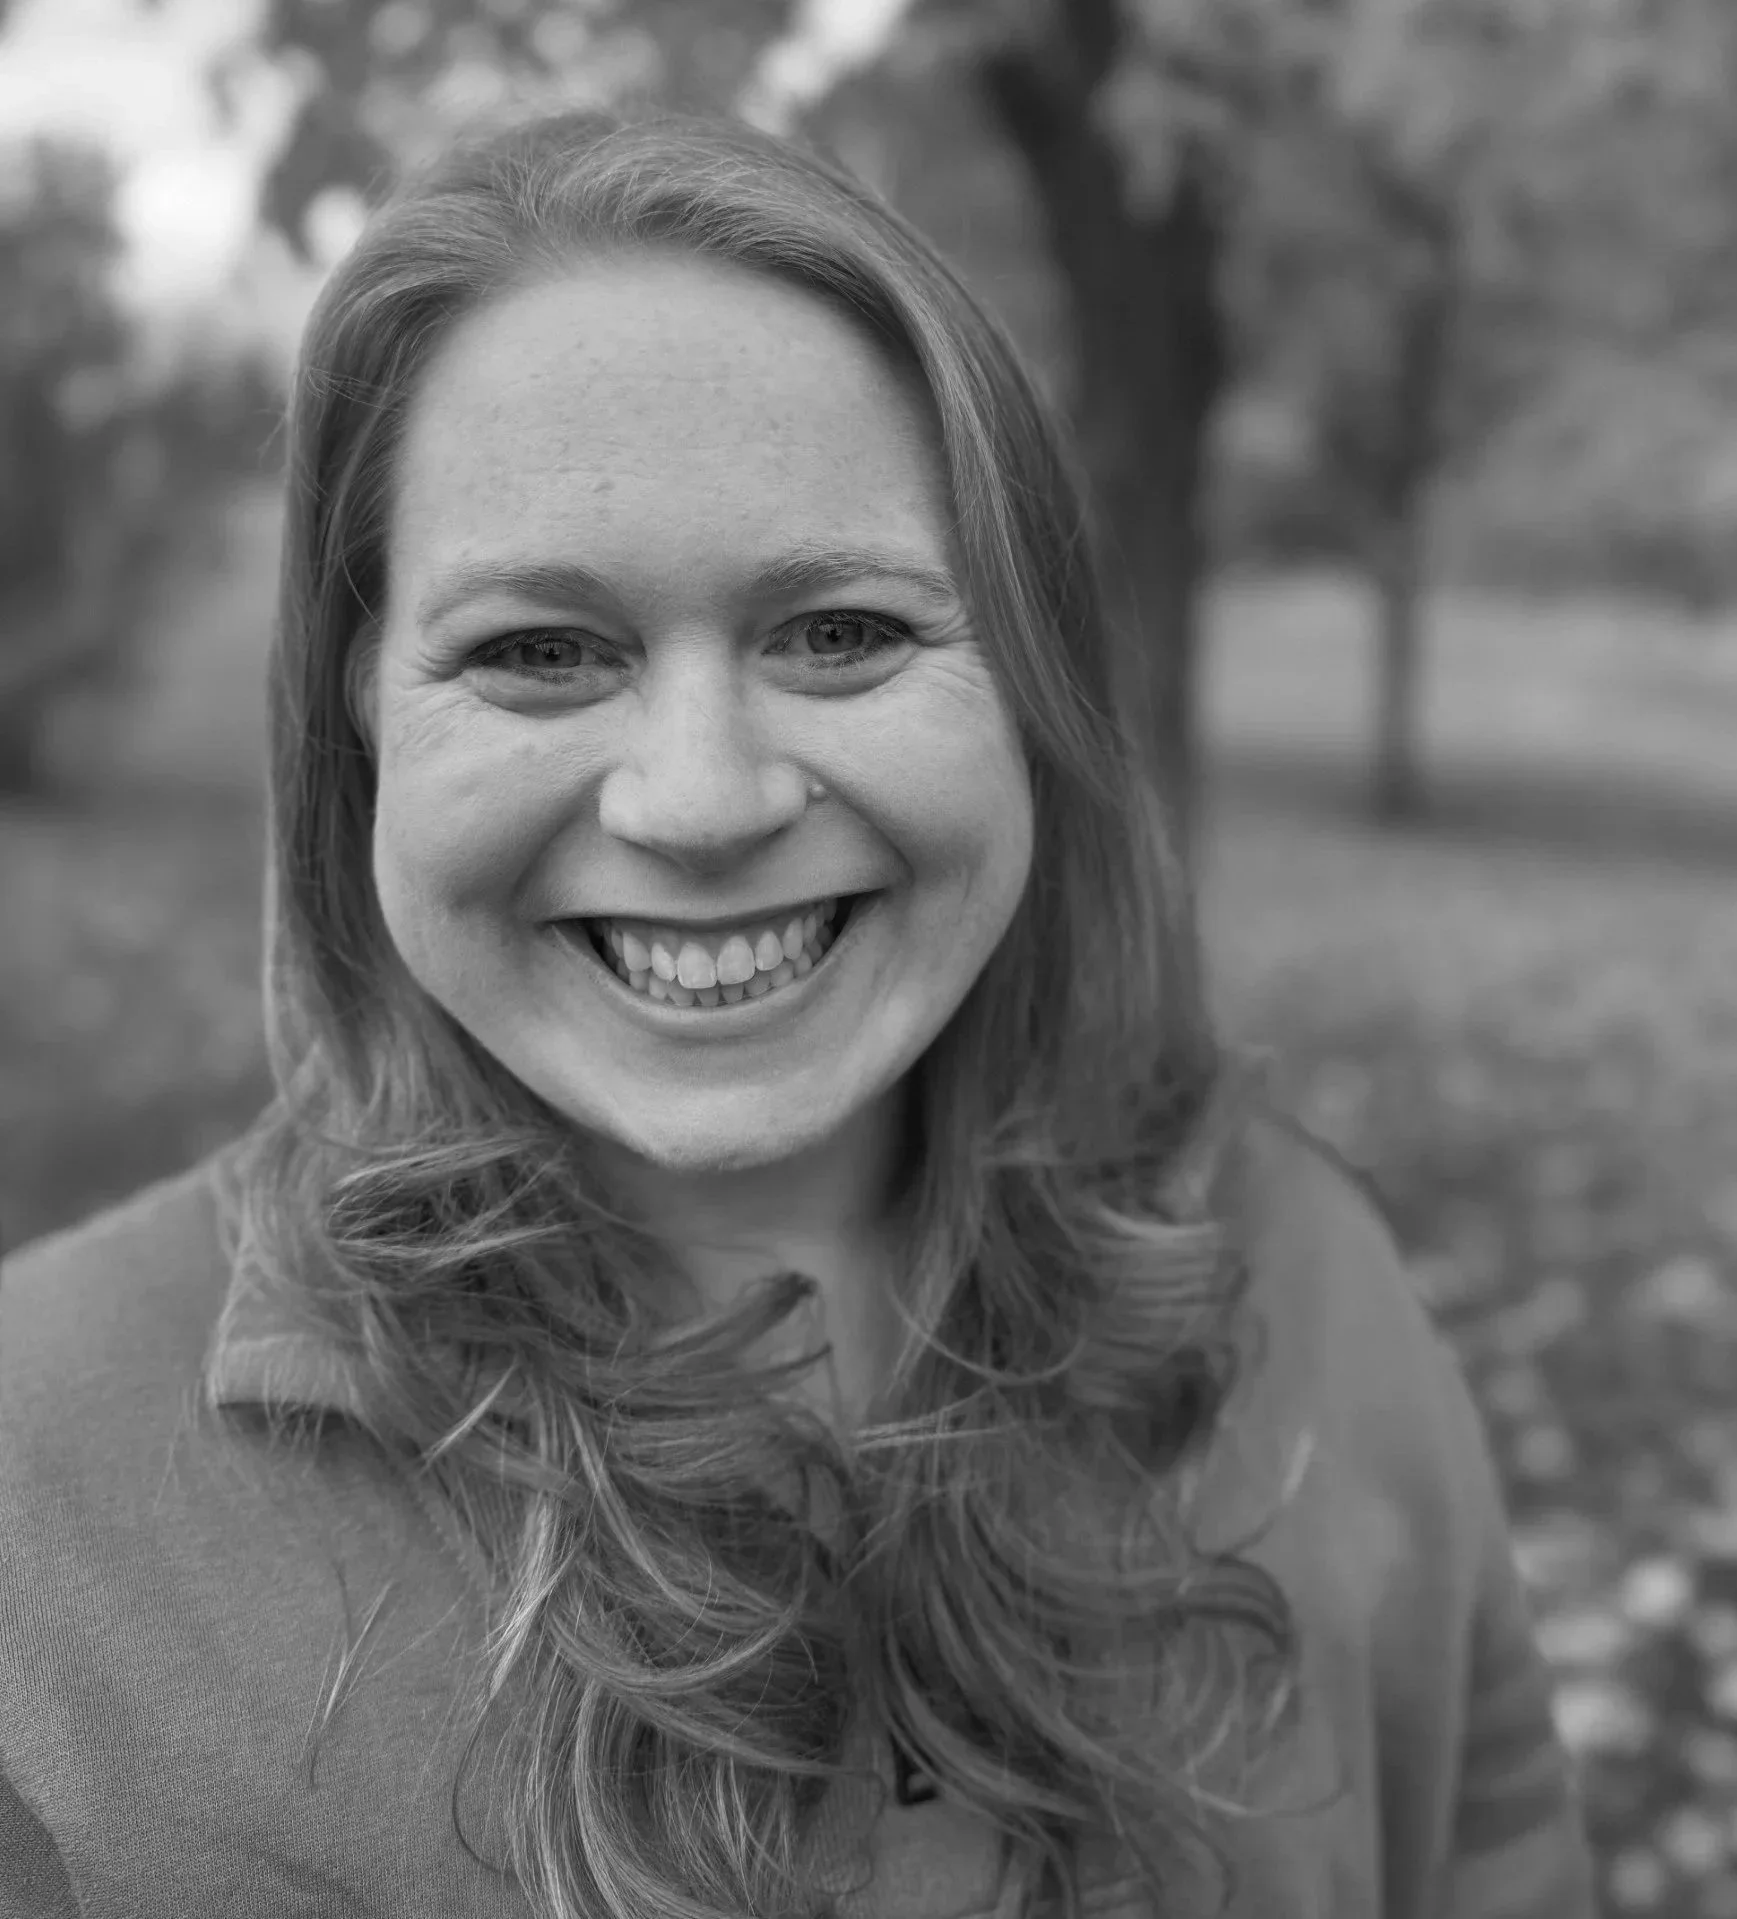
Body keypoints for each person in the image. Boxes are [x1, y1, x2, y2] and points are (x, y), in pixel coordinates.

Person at [0, 110, 1593, 1919]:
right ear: (360, 710)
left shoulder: (1308, 1273)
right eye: (540, 650)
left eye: (837, 632)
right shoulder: (32, 1504)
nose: (699, 802)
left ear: (1034, 680)